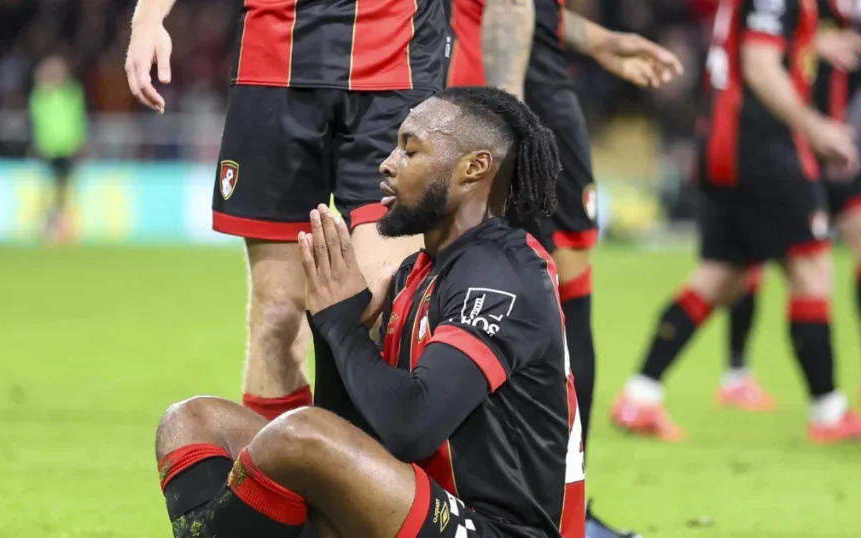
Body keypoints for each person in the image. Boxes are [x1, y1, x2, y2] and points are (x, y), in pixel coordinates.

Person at [153, 87, 585, 538]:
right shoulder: (414, 273)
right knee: (191, 422)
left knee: (297, 435)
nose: (387, 163)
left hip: (499, 530)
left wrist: (344, 328)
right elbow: (353, 431)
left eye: (410, 149)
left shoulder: (500, 275)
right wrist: (328, 323)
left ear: (473, 168)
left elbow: (412, 427)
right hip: (417, 509)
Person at [126, 0, 450, 420]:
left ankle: (371, 479)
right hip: (274, 70)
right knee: (276, 314)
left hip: (397, 65)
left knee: (384, 305)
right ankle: (278, 479)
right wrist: (149, 17)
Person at [446, 2, 683, 535]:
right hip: (516, 105)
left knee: (475, 298)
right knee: (551, 302)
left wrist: (596, 40)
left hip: (477, 101)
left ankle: (509, 508)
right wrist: (509, 116)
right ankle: (559, 514)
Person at [612, 0, 861, 443]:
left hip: (723, 142)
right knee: (811, 263)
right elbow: (760, 64)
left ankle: (639, 397)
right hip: (760, 148)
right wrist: (814, 127)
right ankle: (829, 412)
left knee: (721, 277)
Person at [716, 0, 861, 412]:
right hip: (792, 140)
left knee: (734, 267)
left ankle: (646, 391)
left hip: (832, 139)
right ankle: (817, 406)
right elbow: (760, 56)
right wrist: (816, 42)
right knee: (751, 266)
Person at [30, 54, 88, 243]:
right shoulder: (41, 96)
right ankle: (47, 227)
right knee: (47, 190)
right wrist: (40, 144)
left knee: (64, 190)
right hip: (48, 149)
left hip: (68, 148)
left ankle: (62, 227)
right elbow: (39, 122)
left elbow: (78, 119)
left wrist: (79, 142)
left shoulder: (72, 93)